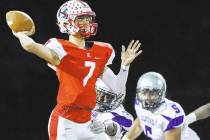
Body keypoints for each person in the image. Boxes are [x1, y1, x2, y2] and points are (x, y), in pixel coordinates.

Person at [12, 0, 142, 139]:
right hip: (65, 120)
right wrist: (20, 33)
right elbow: (31, 46)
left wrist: (124, 67)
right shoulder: (60, 49)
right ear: (66, 23)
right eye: (81, 19)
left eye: (88, 18)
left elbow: (116, 89)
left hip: (88, 120)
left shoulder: (101, 51)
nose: (86, 23)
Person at [122, 72, 200, 140]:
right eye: (144, 92)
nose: (147, 97)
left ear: (161, 94)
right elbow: (140, 123)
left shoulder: (169, 114)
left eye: (152, 93)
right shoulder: (139, 104)